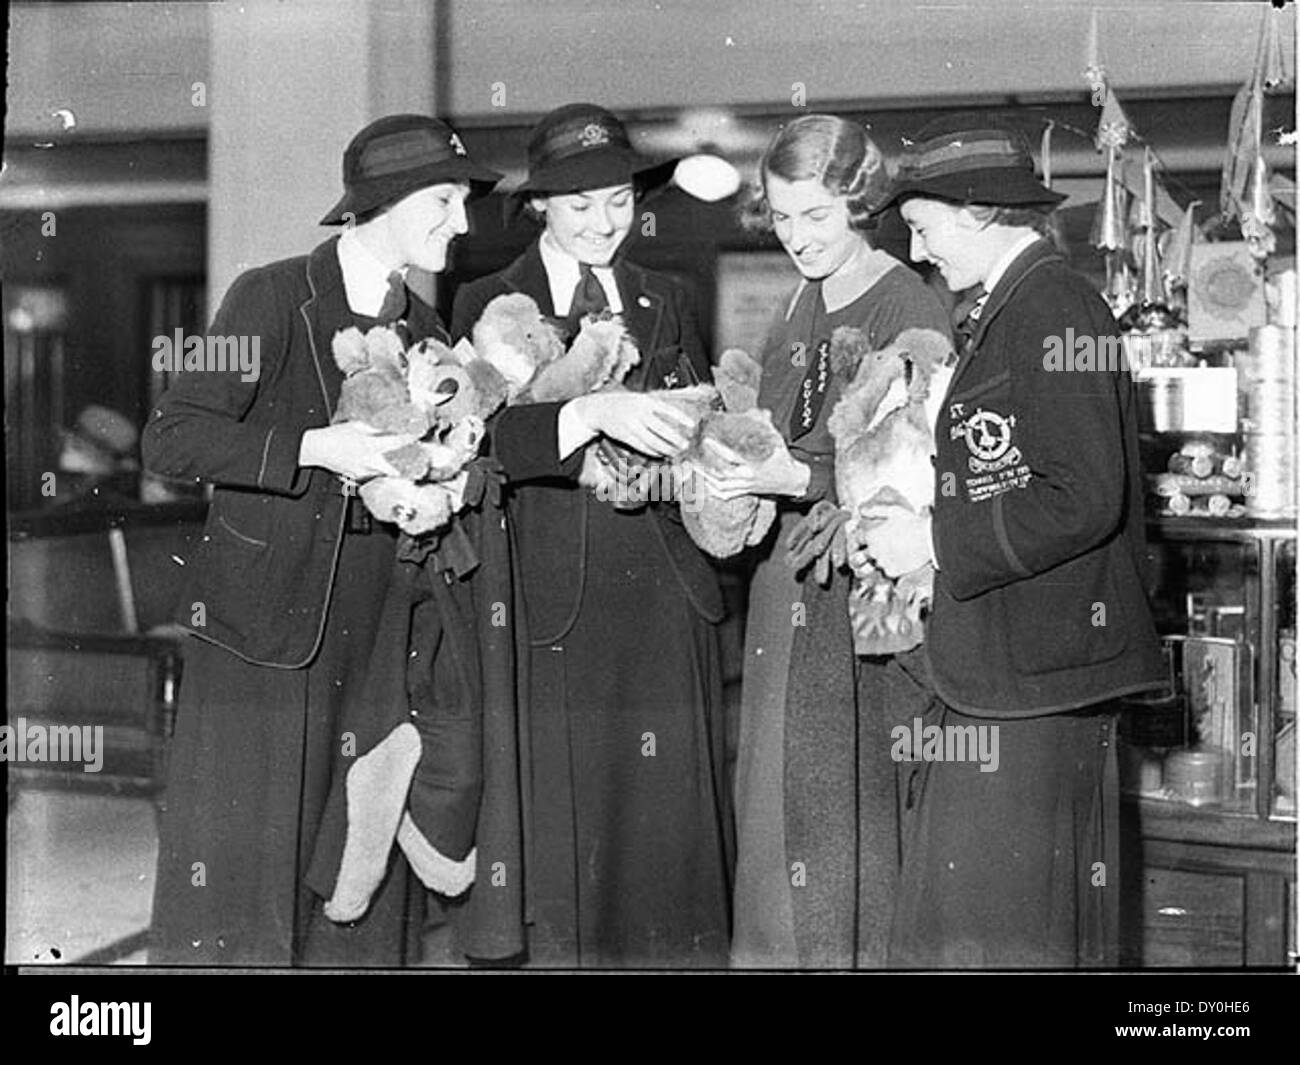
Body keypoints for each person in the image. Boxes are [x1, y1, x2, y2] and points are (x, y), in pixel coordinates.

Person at [145, 114, 504, 966]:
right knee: (250, 868)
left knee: (361, 860)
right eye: (446, 201)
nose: (462, 222)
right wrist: (313, 447)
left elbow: (452, 451)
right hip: (265, 637)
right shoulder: (268, 296)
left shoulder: (425, 321)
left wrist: (448, 484)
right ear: (383, 205)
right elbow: (173, 437)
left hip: (384, 633)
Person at [864, 117, 1165, 967]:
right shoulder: (1014, 308)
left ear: (979, 211)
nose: (920, 253)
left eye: (924, 227)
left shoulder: (1055, 305)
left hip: (1031, 685)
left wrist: (932, 539)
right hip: (1013, 675)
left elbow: (1082, 494)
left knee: (992, 939)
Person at [450, 103, 732, 968]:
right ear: (540, 206)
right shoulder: (490, 300)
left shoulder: (669, 294)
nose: (604, 221)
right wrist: (587, 414)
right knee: (575, 827)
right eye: (578, 205)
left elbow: (695, 420)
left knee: (667, 831)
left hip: (667, 590)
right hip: (558, 598)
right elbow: (481, 441)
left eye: (616, 200)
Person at [702, 115, 952, 968]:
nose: (798, 238)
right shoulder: (805, 297)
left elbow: (905, 481)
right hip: (787, 581)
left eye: (817, 216)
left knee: (842, 816)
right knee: (773, 807)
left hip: (860, 593)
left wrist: (792, 481)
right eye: (781, 218)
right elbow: (783, 431)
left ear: (860, 201)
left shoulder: (907, 302)